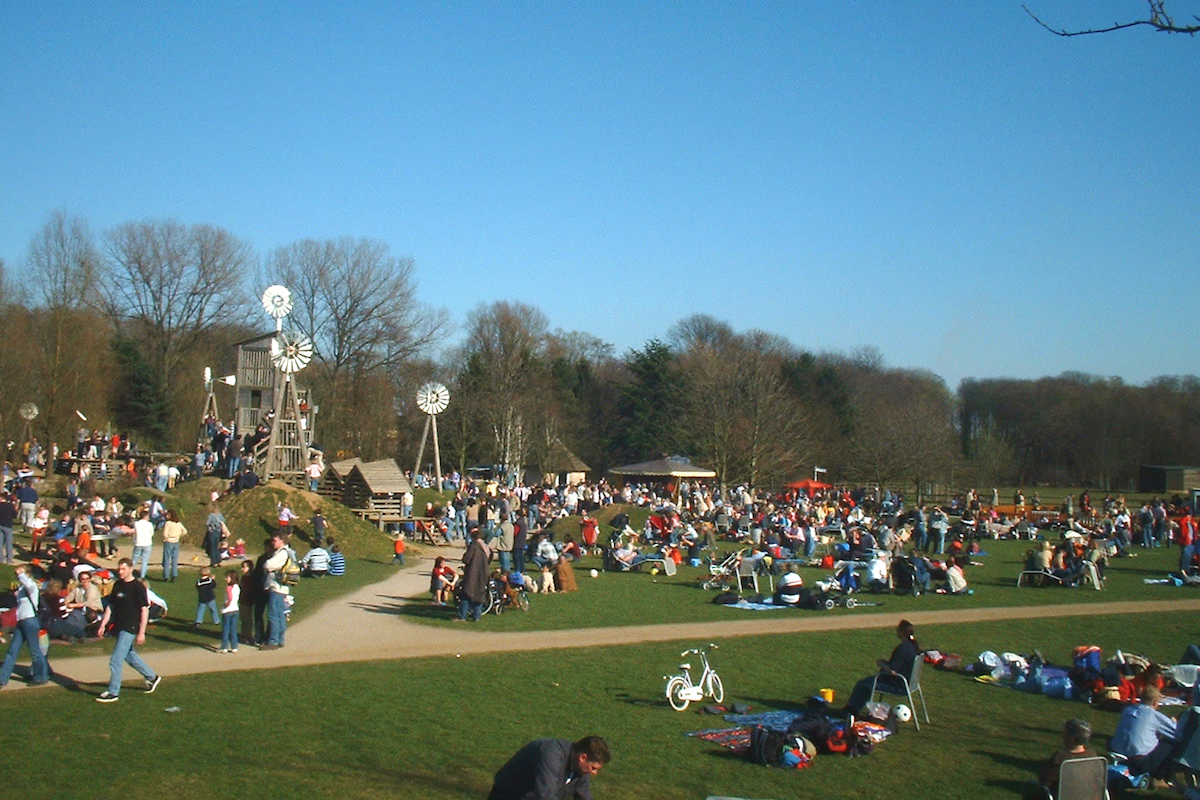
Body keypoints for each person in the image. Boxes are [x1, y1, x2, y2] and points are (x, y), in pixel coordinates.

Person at [95, 557, 162, 702]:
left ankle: (113, 692)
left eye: (123, 569)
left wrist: (141, 632)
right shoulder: (118, 585)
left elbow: (144, 610)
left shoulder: (138, 587)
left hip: (131, 626)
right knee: (129, 656)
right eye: (119, 569)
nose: (120, 572)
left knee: (115, 660)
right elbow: (110, 607)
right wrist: (103, 624)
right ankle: (152, 677)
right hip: (119, 625)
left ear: (131, 569)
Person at [488, 735, 610, 800]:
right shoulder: (552, 754)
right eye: (593, 768)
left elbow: (584, 795)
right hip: (509, 795)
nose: (594, 773)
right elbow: (545, 794)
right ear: (582, 757)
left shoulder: (581, 771)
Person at [842, 619, 921, 715]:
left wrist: (880, 663)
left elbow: (892, 670)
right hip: (910, 683)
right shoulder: (913, 646)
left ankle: (851, 710)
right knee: (868, 682)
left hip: (899, 684)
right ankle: (852, 710)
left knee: (864, 684)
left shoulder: (903, 648)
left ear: (901, 632)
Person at [1109, 685, 1178, 781]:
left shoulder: (1127, 710)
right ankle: (1161, 777)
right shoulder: (1153, 715)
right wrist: (1173, 721)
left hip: (1117, 754)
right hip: (1139, 761)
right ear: (1155, 702)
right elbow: (1176, 732)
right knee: (1170, 743)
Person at [0, 564, 52, 688]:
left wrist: (21, 574)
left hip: (30, 621)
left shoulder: (32, 586)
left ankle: (41, 677)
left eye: (21, 573)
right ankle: (2, 679)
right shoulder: (22, 589)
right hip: (22, 621)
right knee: (12, 651)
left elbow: (29, 585)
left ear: (27, 574)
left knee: (35, 651)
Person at [1023, 719, 1097, 800]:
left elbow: (1045, 782)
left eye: (1065, 733)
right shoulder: (1093, 756)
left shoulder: (1060, 758)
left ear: (1071, 738)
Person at [260, 532, 295, 650]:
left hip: (276, 587)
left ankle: (273, 641)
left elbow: (269, 565)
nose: (273, 543)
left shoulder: (282, 553)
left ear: (282, 541)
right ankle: (280, 639)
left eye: (275, 541)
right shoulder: (289, 552)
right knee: (280, 615)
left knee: (273, 614)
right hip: (283, 588)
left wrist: (267, 564)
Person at [458, 530, 488, 622]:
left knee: (465, 595)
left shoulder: (473, 546)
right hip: (483, 573)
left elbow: (466, 559)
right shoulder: (485, 547)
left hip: (472, 573)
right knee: (479, 595)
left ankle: (462, 616)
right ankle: (476, 616)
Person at [161, 509, 186, 582]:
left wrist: (166, 538)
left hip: (169, 541)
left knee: (167, 559)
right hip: (176, 542)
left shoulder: (168, 523)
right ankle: (174, 575)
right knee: (174, 559)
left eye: (168, 515)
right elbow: (184, 531)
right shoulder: (178, 523)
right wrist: (178, 535)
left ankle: (166, 576)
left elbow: (165, 533)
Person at [218, 569, 240, 653]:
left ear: (231, 578)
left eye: (227, 577)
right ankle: (234, 647)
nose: (225, 579)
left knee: (226, 629)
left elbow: (230, 597)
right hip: (235, 609)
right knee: (233, 629)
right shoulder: (237, 587)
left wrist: (227, 604)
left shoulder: (229, 587)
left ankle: (224, 647)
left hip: (228, 611)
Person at [131, 508, 154, 579]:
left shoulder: (136, 523)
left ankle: (130, 572)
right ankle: (142, 575)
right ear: (146, 516)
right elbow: (152, 533)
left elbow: (134, 533)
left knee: (134, 559)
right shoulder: (149, 524)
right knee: (145, 560)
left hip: (138, 542)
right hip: (147, 543)